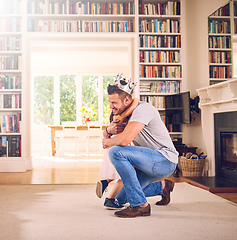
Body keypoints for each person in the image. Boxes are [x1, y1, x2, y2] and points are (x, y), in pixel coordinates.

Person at [102, 74, 179, 218]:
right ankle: (163, 187)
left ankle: (141, 206)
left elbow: (124, 141)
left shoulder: (143, 109)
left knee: (115, 152)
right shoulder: (124, 115)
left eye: (114, 103)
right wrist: (107, 132)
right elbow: (112, 136)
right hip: (147, 163)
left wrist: (106, 143)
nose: (111, 106)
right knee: (118, 201)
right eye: (110, 102)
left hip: (165, 160)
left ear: (126, 99)